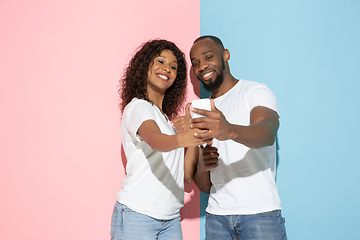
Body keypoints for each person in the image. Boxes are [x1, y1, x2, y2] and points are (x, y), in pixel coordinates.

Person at [110, 39, 212, 240]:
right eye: (160, 61)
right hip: (138, 214)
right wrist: (185, 137)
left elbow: (186, 176)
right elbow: (155, 140)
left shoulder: (166, 121)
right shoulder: (138, 107)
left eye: (173, 66)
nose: (167, 68)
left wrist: (191, 133)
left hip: (170, 218)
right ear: (144, 66)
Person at [189, 35, 288, 240]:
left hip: (260, 214)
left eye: (208, 57)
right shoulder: (202, 110)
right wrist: (201, 166)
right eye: (196, 63)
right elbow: (206, 186)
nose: (202, 66)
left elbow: (267, 132)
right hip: (216, 218)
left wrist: (230, 130)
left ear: (225, 55)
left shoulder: (254, 91)